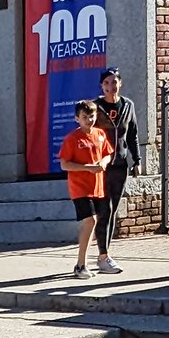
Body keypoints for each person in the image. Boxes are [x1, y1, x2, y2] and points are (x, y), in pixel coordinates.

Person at [58, 99, 115, 279]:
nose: (89, 120)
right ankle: (80, 264)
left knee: (98, 221)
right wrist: (87, 167)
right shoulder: (72, 139)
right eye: (84, 117)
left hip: (97, 186)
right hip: (80, 187)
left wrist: (103, 163)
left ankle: (100, 258)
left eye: (91, 116)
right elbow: (64, 164)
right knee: (89, 221)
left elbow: (107, 153)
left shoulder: (100, 134)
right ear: (77, 119)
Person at [94, 67, 141, 274]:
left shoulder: (127, 106)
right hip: (100, 166)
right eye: (106, 83)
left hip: (120, 165)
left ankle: (105, 253)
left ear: (120, 83)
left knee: (112, 210)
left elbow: (133, 135)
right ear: (101, 86)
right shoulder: (95, 107)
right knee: (103, 210)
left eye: (114, 83)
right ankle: (103, 256)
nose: (110, 87)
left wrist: (136, 160)